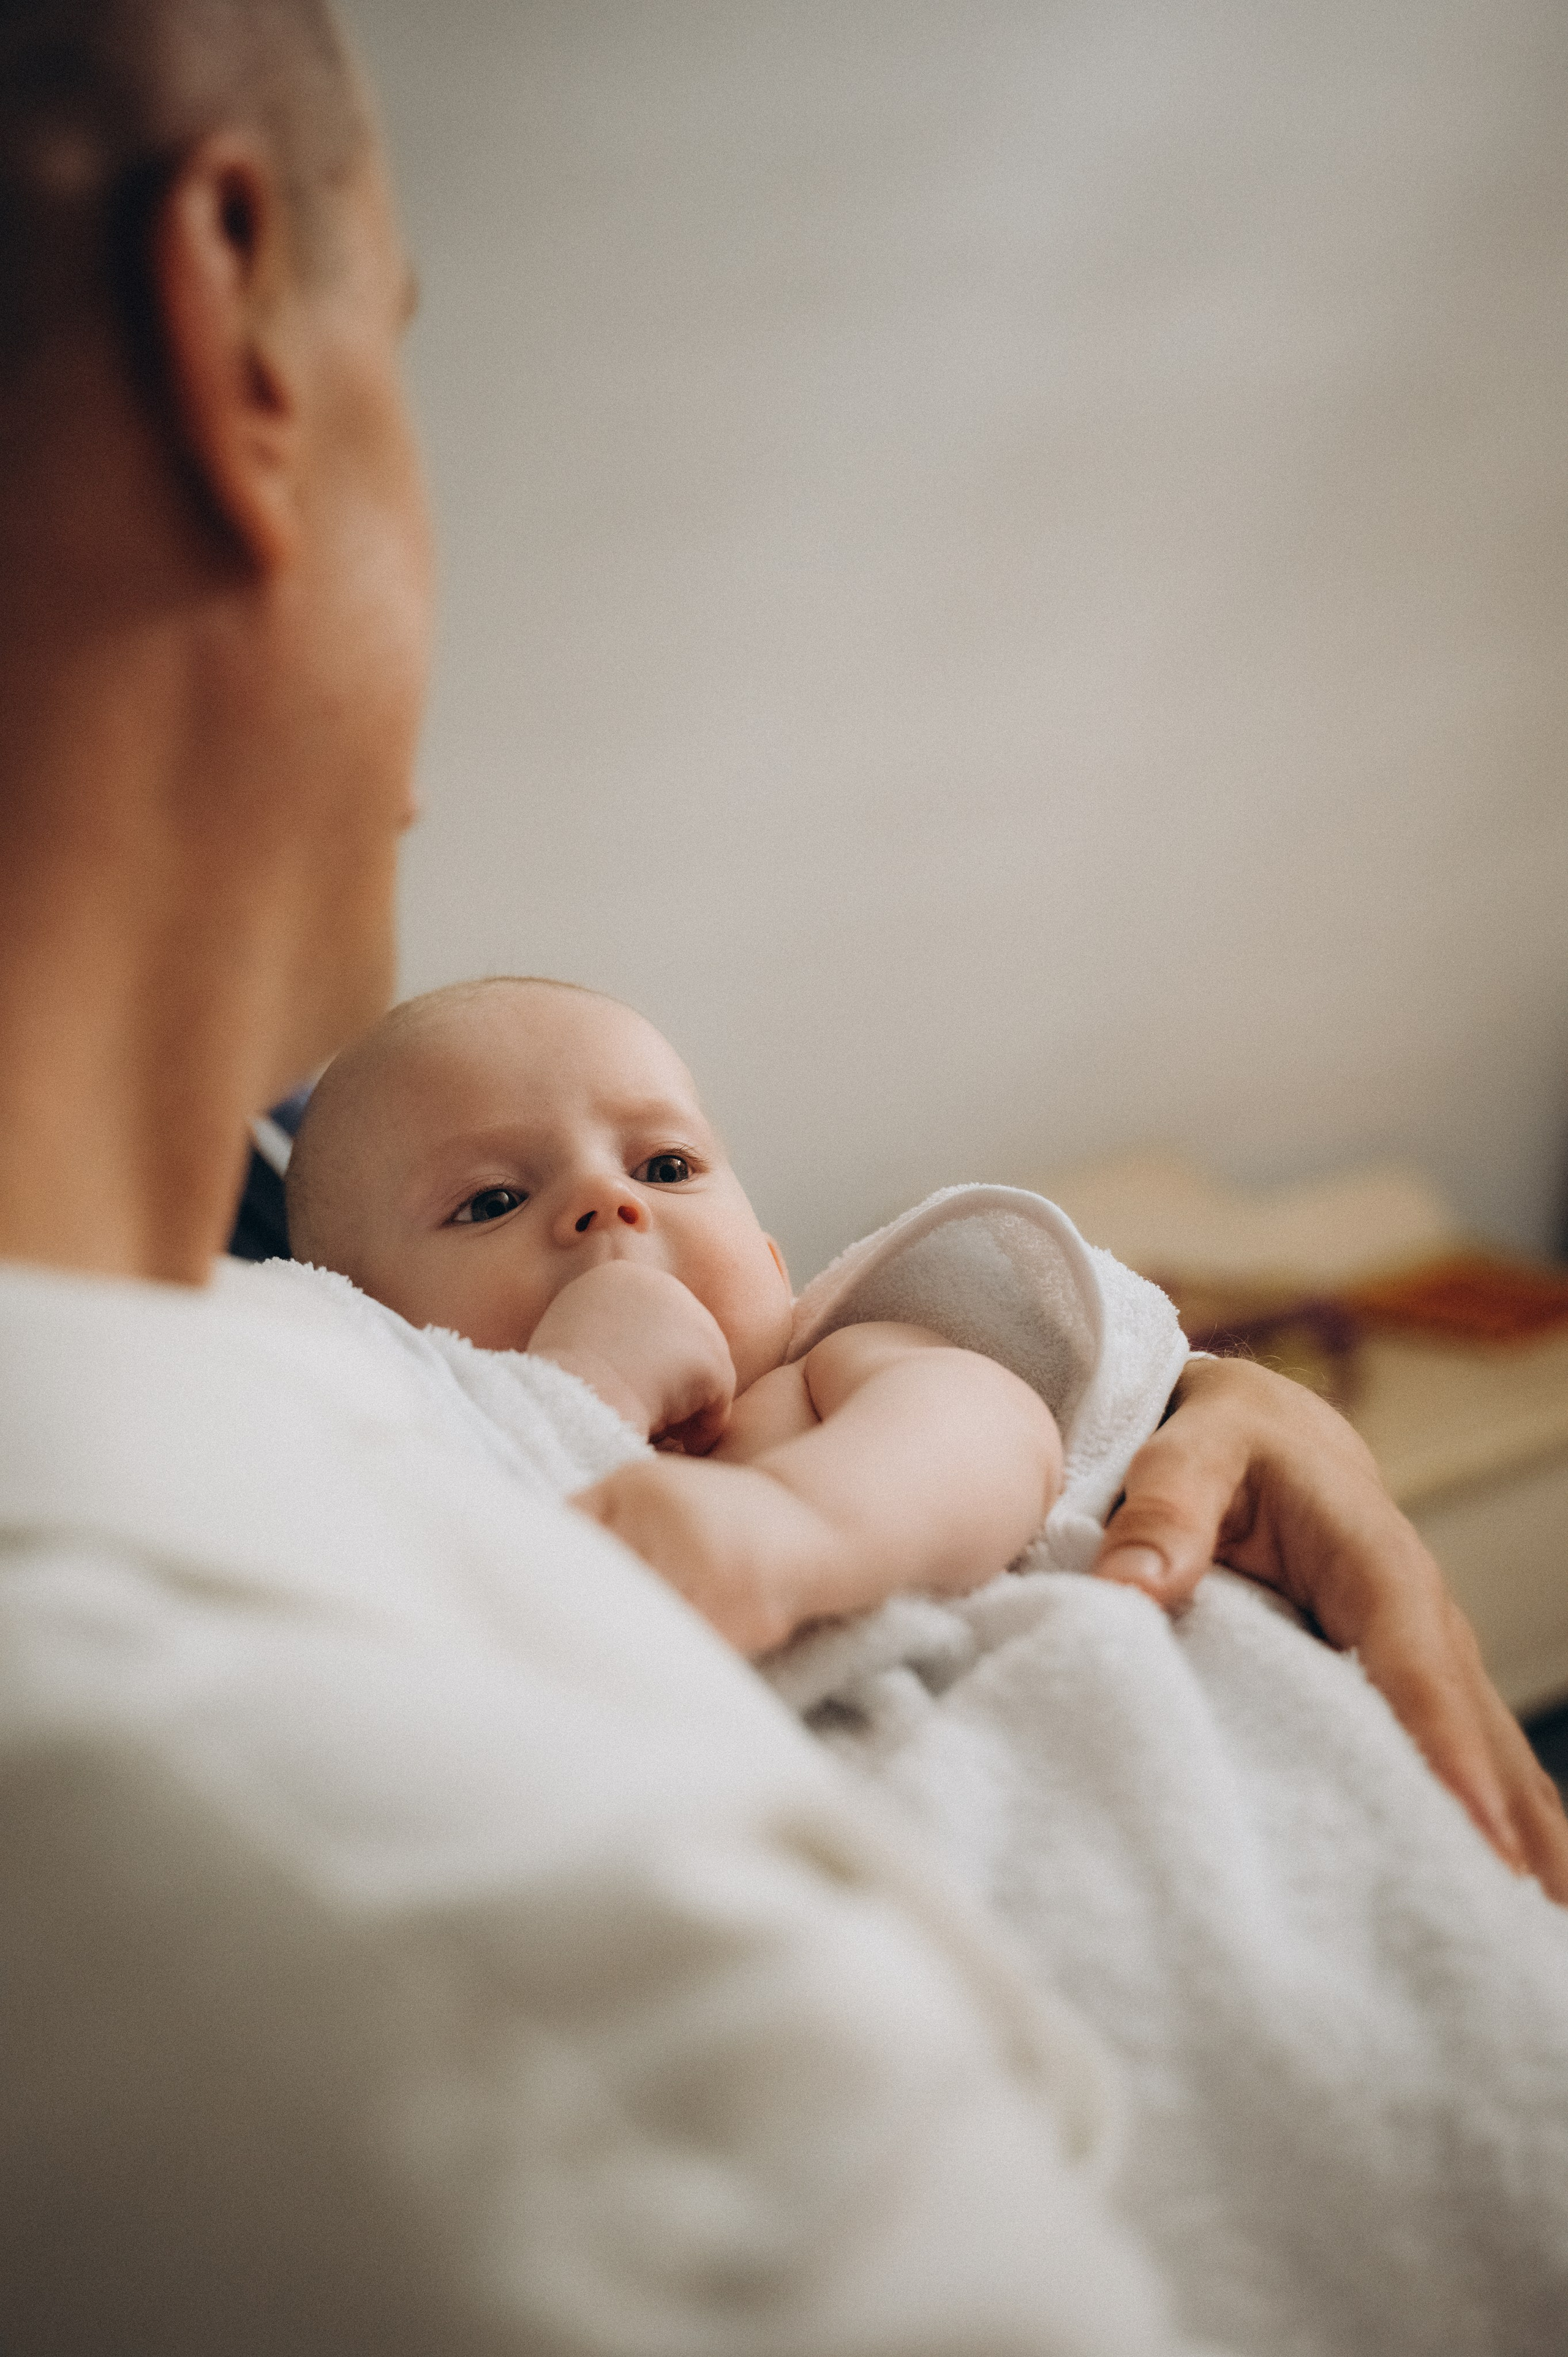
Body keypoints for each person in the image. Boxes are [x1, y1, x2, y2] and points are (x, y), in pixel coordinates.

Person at [1, 2, 1562, 2349]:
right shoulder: (378, 1889)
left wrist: (1169, 1420)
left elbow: (993, 1379)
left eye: (656, 1157)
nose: (607, 1216)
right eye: (399, 348)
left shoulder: (220, 1284)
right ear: (239, 331)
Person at [285, 974, 1065, 1656]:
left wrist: (797, 1527)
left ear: (772, 1264)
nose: (606, 1198)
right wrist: (585, 1388)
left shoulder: (825, 1373)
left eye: (665, 1167)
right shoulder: (417, 1454)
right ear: (370, 1323)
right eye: (493, 1201)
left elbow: (997, 1434)